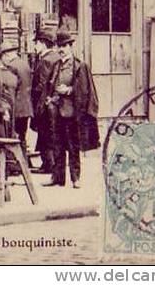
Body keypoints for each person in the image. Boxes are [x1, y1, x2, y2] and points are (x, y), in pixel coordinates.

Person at [42, 28, 100, 189]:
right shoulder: (55, 65)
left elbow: (84, 89)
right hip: (56, 112)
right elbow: (49, 85)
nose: (61, 49)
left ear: (70, 46)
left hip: (72, 113)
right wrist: (49, 99)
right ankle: (57, 177)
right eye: (59, 46)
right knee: (57, 145)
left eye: (64, 46)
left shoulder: (79, 66)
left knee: (73, 146)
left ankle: (76, 178)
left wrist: (69, 90)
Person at [30, 27, 60, 174]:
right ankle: (51, 164)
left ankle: (48, 164)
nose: (35, 46)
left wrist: (36, 104)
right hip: (54, 102)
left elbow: (40, 86)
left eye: (37, 43)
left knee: (44, 133)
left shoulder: (45, 61)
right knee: (52, 133)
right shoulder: (57, 57)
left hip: (43, 103)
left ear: (43, 43)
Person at [0, 41, 34, 152]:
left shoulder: (11, 66)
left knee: (14, 136)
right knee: (22, 136)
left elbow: (10, 89)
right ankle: (24, 163)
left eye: (2, 58)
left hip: (16, 108)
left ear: (6, 55)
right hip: (26, 107)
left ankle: (18, 164)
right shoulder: (24, 63)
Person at [0, 41, 18, 138]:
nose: (10, 58)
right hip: (4, 112)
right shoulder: (1, 73)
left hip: (8, 110)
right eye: (8, 55)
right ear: (2, 56)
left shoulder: (9, 71)